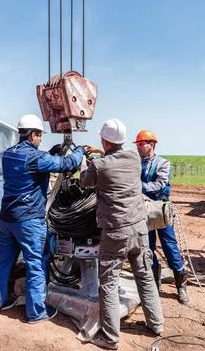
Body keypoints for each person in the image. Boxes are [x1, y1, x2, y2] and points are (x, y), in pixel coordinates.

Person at [80, 119, 163, 350]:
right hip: (139, 228)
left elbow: (85, 182)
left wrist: (86, 160)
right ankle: (156, 324)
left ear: (104, 140)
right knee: (145, 276)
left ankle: (110, 338)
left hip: (116, 232)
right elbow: (117, 156)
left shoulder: (100, 166)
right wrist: (102, 151)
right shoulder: (135, 158)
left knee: (107, 283)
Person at [0, 113, 85, 323]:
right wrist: (81, 151)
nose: (40, 139)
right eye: (39, 136)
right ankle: (36, 312)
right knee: (35, 264)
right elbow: (67, 164)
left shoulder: (9, 154)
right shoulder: (36, 158)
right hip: (28, 220)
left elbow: (35, 162)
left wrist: (51, 152)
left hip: (8, 219)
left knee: (2, 263)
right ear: (33, 135)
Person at [133, 129, 189, 305]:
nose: (140, 147)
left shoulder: (162, 163)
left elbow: (159, 184)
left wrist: (136, 186)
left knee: (169, 246)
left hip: (160, 211)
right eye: (139, 144)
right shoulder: (135, 163)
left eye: (143, 144)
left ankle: (181, 286)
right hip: (143, 211)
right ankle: (154, 286)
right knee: (147, 248)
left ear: (152, 144)